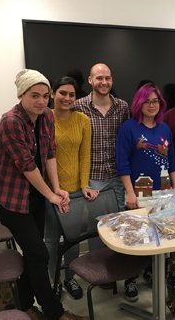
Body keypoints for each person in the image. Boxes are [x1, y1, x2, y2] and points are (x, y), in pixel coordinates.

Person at [0, 69, 88, 320]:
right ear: (21, 95)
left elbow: (49, 154)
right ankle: (55, 313)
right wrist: (52, 196)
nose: (42, 101)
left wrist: (56, 188)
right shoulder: (10, 121)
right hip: (12, 199)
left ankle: (24, 305)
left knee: (33, 256)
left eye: (46, 96)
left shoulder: (46, 116)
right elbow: (27, 166)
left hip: (35, 195)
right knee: (39, 254)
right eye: (35, 95)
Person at [116, 83, 175, 300]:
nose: (152, 105)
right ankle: (130, 279)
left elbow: (171, 161)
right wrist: (130, 192)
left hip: (164, 193)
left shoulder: (164, 128)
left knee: (159, 236)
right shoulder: (129, 128)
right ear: (138, 103)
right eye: (147, 101)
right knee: (137, 237)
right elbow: (122, 164)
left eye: (156, 101)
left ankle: (151, 271)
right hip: (139, 193)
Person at [43, 77, 99, 300]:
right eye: (62, 93)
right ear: (53, 94)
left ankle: (70, 277)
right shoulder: (43, 118)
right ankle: (54, 280)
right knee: (51, 239)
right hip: (49, 192)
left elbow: (85, 154)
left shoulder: (82, 120)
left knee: (73, 237)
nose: (67, 98)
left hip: (75, 191)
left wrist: (84, 184)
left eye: (72, 94)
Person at [73, 63, 130, 211]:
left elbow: (126, 143)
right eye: (99, 78)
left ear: (112, 80)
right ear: (90, 80)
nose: (104, 82)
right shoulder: (78, 106)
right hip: (92, 177)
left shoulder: (122, 107)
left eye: (107, 78)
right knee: (96, 221)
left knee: (121, 218)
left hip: (118, 175)